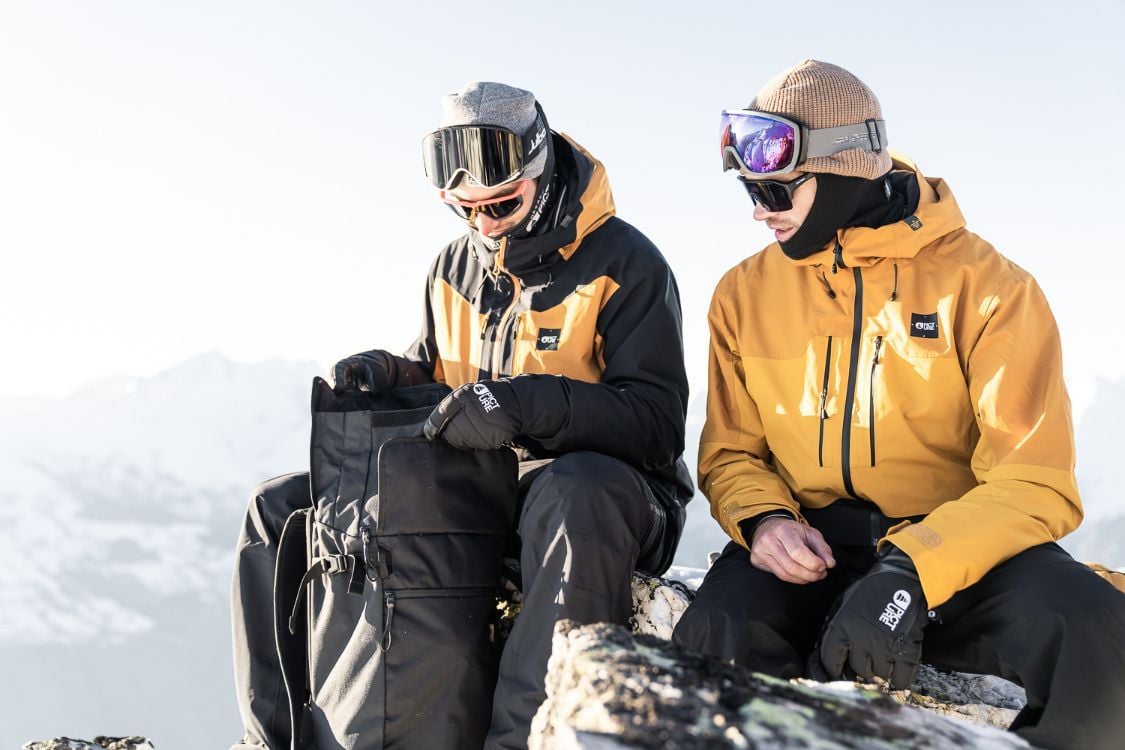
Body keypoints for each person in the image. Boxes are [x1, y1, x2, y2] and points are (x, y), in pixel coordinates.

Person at [672, 60, 1125, 749]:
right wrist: (763, 521)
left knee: (1095, 630)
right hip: (811, 544)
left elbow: (1035, 482)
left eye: (773, 188)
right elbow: (731, 452)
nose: (759, 210)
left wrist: (911, 573)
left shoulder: (988, 287)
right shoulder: (744, 292)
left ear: (844, 170)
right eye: (747, 190)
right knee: (715, 636)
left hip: (957, 550)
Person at [230, 81, 692, 750]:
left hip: (606, 494)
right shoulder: (452, 267)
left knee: (575, 492)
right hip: (480, 485)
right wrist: (391, 373)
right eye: (463, 209)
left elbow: (654, 422)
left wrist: (520, 403)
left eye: (499, 203)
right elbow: (437, 372)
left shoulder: (625, 264)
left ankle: (535, 740)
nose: (482, 223)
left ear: (539, 168)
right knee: (280, 509)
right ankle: (272, 738)